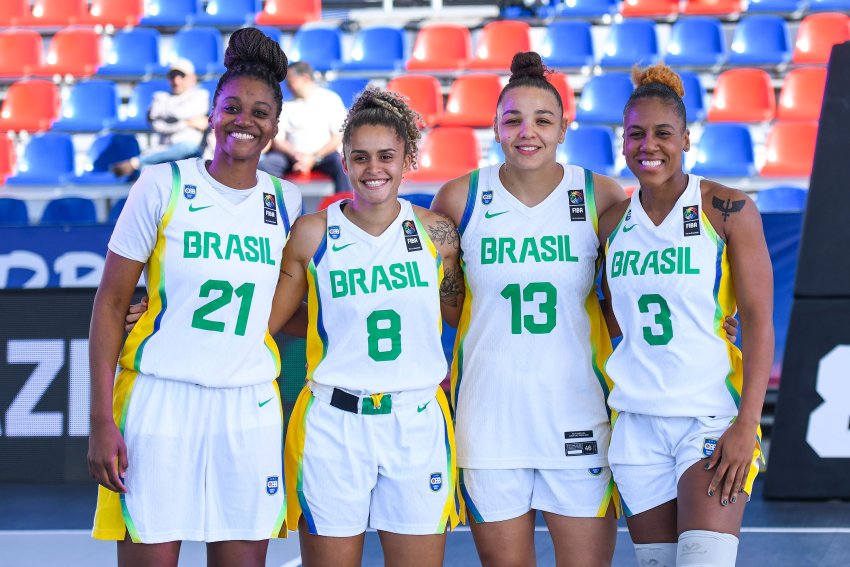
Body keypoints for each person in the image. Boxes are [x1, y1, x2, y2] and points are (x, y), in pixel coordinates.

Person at [88, 28, 300, 567]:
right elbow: (111, 305)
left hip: (246, 404)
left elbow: (293, 314)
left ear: (275, 126)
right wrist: (99, 420)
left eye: (259, 112)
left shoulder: (288, 202)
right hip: (160, 400)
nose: (244, 121)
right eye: (232, 107)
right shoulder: (161, 185)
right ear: (211, 112)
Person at [431, 52, 625, 567]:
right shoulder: (460, 198)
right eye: (512, 119)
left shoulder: (600, 195)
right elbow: (451, 307)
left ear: (565, 127)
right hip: (488, 419)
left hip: (578, 413)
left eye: (543, 120)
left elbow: (628, 292)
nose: (527, 132)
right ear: (495, 126)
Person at [271, 87, 464, 566]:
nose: (373, 168)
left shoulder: (438, 233)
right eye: (360, 157)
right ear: (344, 159)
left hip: (415, 419)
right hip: (334, 422)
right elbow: (270, 318)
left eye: (386, 156)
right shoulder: (312, 232)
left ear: (408, 159)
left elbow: (461, 314)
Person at [598, 64, 773, 567]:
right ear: (623, 142)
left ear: (687, 140)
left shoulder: (727, 209)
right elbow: (612, 317)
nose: (648, 145)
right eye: (636, 134)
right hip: (635, 423)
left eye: (662, 133)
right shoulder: (612, 223)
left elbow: (759, 320)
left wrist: (747, 424)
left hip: (709, 418)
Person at [258, 61, 351, 193]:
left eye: (290, 81)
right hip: (291, 157)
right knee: (266, 166)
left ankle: (346, 206)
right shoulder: (285, 105)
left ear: (305, 78)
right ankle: (273, 207)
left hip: (324, 156)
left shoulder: (330, 99)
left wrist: (313, 158)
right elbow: (278, 141)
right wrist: (296, 155)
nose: (287, 85)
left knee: (342, 164)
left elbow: (339, 136)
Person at [111, 58, 211, 177]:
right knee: (145, 172)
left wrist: (164, 113)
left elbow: (166, 117)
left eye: (182, 76)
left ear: (192, 78)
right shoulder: (160, 96)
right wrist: (187, 123)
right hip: (163, 151)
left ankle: (136, 162)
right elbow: (157, 125)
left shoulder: (200, 95)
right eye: (172, 76)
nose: (176, 80)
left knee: (187, 147)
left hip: (189, 156)